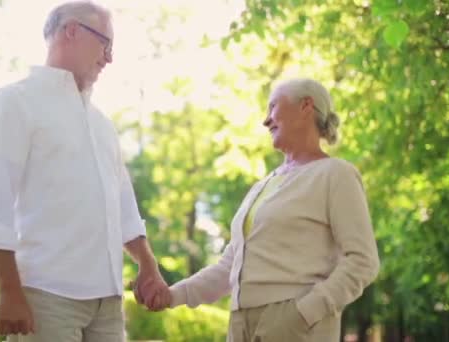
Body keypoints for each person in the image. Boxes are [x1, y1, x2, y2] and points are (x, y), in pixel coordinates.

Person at [0, 1, 169, 340]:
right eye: (106, 44)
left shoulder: (102, 124)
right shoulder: (14, 102)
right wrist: (9, 291)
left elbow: (123, 206)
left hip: (108, 304)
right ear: (72, 31)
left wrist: (147, 264)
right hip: (45, 297)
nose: (109, 58)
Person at [154, 78, 380, 341]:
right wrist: (173, 295)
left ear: (306, 105)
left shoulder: (335, 174)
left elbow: (363, 261)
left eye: (273, 107)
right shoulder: (263, 186)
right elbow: (230, 267)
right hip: (241, 325)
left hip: (295, 324)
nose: (266, 120)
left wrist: (304, 313)